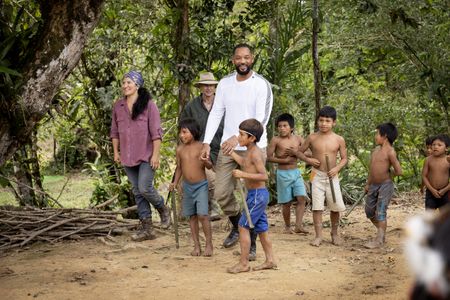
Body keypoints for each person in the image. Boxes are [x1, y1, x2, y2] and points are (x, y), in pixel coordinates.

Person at [200, 43, 273, 260]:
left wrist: (240, 135)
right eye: (239, 58)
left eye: (247, 58)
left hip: (254, 148)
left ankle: (250, 242)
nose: (243, 61)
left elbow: (263, 119)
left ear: (252, 59)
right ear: (233, 60)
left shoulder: (261, 85)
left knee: (254, 197)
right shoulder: (224, 84)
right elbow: (216, 114)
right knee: (222, 194)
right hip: (228, 147)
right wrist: (206, 142)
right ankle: (238, 224)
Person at [110, 70, 171, 242]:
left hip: (146, 155)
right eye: (123, 83)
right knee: (137, 192)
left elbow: (157, 133)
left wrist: (156, 155)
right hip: (127, 157)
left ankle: (163, 208)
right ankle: (147, 229)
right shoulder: (118, 106)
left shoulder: (149, 105)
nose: (125, 86)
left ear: (137, 85)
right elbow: (114, 132)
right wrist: (116, 152)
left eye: (129, 82)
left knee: (144, 187)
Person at [226, 119, 277, 274]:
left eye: (242, 134)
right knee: (262, 229)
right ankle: (270, 260)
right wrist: (231, 153)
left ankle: (244, 263)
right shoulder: (249, 150)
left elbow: (264, 176)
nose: (239, 137)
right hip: (255, 196)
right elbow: (244, 162)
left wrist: (242, 174)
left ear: (252, 138)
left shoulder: (256, 153)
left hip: (257, 196)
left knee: (242, 226)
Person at [294, 106, 347, 247]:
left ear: (334, 123)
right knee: (317, 207)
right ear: (317, 121)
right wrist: (309, 160)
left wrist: (336, 168)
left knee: (335, 206)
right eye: (321, 120)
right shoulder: (312, 137)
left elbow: (344, 159)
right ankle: (318, 236)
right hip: (317, 175)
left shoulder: (339, 139)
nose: (324, 123)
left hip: (332, 176)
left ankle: (334, 234)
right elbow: (299, 152)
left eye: (327, 121)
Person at [179, 72, 223, 220]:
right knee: (207, 178)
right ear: (200, 87)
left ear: (215, 87)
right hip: (200, 149)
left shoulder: (223, 104)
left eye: (211, 85)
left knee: (224, 181)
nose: (208, 88)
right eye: (205, 85)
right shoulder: (192, 106)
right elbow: (184, 127)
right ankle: (210, 208)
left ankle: (234, 214)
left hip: (222, 148)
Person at [169, 118, 214, 256]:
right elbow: (179, 168)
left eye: (185, 132)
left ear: (193, 132)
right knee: (192, 216)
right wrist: (175, 183)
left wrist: (206, 162)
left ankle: (209, 244)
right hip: (187, 187)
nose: (182, 135)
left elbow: (210, 166)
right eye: (180, 133)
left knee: (203, 215)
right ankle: (196, 246)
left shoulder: (202, 147)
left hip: (201, 186)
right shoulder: (180, 149)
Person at [267, 113, 308, 234]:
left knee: (302, 198)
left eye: (285, 125)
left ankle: (298, 226)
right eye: (279, 126)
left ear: (292, 127)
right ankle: (287, 227)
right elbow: (268, 158)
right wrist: (283, 160)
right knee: (286, 202)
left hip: (296, 173)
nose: (282, 128)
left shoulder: (298, 139)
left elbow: (310, 153)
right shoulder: (276, 140)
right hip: (283, 173)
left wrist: (296, 152)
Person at [364, 123, 402, 249]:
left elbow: (399, 171)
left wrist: (389, 176)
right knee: (369, 211)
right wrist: (368, 183)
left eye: (377, 133)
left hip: (385, 186)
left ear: (384, 135)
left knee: (380, 211)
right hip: (373, 185)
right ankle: (382, 231)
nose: (375, 136)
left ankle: (379, 239)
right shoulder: (375, 151)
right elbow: (372, 170)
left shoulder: (390, 152)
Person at [422, 134, 450, 210]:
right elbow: (424, 176)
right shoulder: (428, 160)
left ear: (446, 148)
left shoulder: (448, 160)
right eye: (433, 145)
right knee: (429, 215)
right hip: (431, 192)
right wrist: (432, 190)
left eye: (439, 145)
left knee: (445, 217)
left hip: (445, 192)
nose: (435, 147)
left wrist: (444, 190)